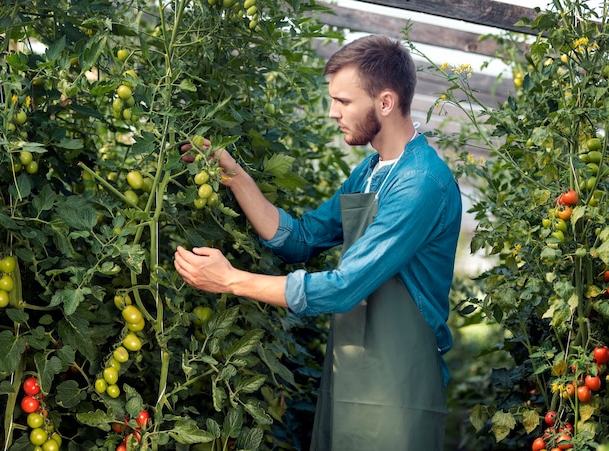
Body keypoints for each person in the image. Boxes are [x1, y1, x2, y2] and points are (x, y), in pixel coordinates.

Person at [174, 34, 462, 450]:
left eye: (343, 101)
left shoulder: (420, 182)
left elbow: (345, 287)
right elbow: (302, 238)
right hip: (348, 374)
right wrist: (234, 176)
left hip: (399, 388)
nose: (332, 113)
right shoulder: (371, 173)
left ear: (384, 102)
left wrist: (231, 280)